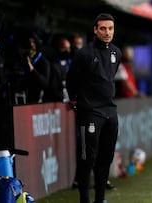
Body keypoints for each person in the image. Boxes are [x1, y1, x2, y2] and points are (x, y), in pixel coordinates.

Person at [66, 13, 122, 203]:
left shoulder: (116, 53)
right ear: (95, 30)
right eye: (103, 28)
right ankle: (84, 199)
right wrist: (74, 98)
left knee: (105, 159)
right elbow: (71, 79)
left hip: (110, 112)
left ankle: (100, 199)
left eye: (110, 28)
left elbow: (110, 78)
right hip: (89, 112)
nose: (107, 32)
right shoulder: (84, 54)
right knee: (86, 159)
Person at [19, 32, 51, 104]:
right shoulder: (26, 58)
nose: (31, 44)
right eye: (29, 42)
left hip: (37, 102)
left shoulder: (44, 62)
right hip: (23, 99)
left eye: (34, 42)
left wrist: (32, 69)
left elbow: (45, 84)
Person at [44, 37, 72, 102]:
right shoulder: (52, 64)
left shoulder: (71, 63)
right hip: (57, 101)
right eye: (64, 48)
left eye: (69, 48)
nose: (67, 51)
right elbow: (53, 86)